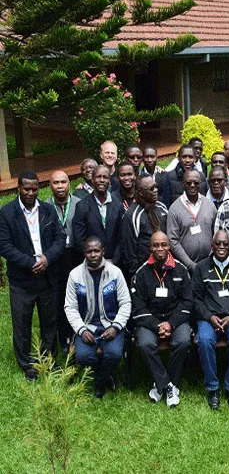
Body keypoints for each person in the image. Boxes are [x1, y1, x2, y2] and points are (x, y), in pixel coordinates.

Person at [0, 171, 66, 379]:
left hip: (47, 276)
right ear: (18, 188)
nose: (30, 192)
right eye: (26, 189)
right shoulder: (7, 213)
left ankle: (49, 359)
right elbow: (5, 246)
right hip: (22, 279)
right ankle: (27, 364)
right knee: (22, 322)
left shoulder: (47, 210)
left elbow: (60, 238)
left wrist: (46, 259)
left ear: (39, 188)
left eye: (34, 189)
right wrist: (31, 263)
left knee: (49, 320)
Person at [130, 231, 193, 407]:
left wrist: (171, 324)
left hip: (175, 319)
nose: (160, 249)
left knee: (183, 341)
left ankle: (160, 385)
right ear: (150, 248)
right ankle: (168, 385)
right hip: (150, 321)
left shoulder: (181, 269)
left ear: (169, 246)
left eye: (163, 245)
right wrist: (157, 325)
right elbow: (138, 307)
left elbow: (187, 302)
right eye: (156, 245)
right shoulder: (142, 273)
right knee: (144, 344)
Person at [192, 230, 229, 410]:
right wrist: (209, 317)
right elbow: (195, 298)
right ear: (212, 246)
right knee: (204, 340)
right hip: (209, 318)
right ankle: (212, 388)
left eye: (225, 244)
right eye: (218, 244)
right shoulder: (201, 268)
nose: (222, 247)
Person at [65, 236, 130, 397]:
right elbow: (70, 307)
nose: (93, 254)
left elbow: (126, 303)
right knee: (83, 357)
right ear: (84, 253)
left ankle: (100, 383)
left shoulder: (115, 273)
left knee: (114, 354)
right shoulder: (75, 275)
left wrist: (116, 327)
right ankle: (105, 374)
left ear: (103, 251)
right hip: (87, 327)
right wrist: (81, 330)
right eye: (89, 251)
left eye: (96, 251)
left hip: (111, 325)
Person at [47, 170, 83, 353]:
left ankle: (78, 336)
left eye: (63, 182)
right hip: (55, 260)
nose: (60, 186)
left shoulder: (80, 204)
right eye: (56, 183)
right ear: (50, 186)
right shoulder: (45, 207)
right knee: (59, 299)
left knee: (78, 297)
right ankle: (63, 339)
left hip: (76, 257)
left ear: (69, 184)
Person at [167, 169, 217, 271]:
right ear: (183, 184)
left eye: (196, 183)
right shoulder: (174, 209)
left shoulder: (209, 205)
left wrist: (211, 258)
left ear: (201, 184)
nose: (192, 185)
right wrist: (190, 265)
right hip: (185, 268)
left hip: (209, 265)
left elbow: (216, 232)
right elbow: (173, 240)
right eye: (189, 183)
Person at [73, 165, 125, 263]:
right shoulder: (82, 206)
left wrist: (114, 260)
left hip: (114, 263)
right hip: (91, 262)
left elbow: (121, 237)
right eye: (98, 177)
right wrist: (94, 258)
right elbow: (79, 239)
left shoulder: (118, 205)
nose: (102, 180)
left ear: (109, 181)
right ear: (92, 180)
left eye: (105, 177)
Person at [120, 175, 169, 281]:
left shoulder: (162, 207)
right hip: (145, 271)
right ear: (140, 192)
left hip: (166, 266)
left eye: (156, 186)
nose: (155, 190)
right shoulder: (131, 215)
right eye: (151, 189)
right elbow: (129, 250)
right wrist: (137, 275)